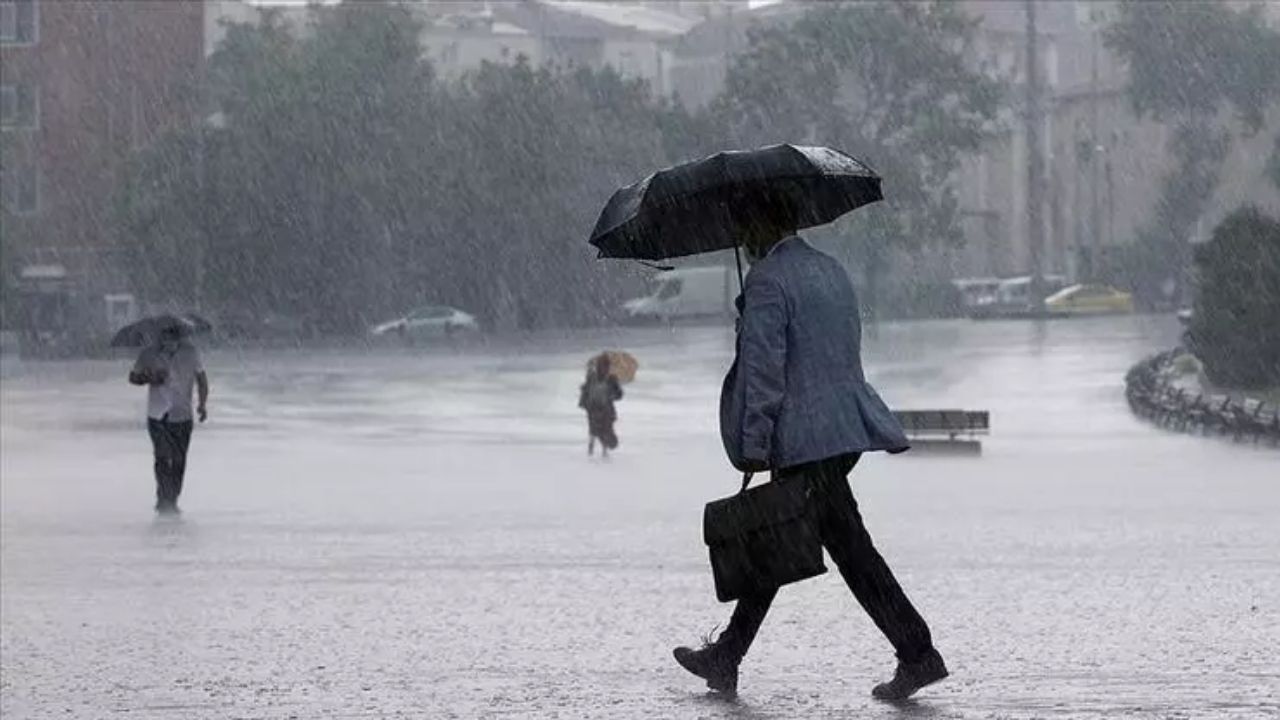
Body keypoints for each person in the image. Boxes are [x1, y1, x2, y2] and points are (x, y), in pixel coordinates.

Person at [672, 200, 947, 701]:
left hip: (804, 439)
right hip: (842, 432)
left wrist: (755, 444)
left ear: (760, 223)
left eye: (744, 225)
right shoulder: (830, 270)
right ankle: (728, 654)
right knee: (784, 540)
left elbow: (764, 372)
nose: (742, 239)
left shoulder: (767, 282)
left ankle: (918, 651)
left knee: (840, 550)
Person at [129, 326, 208, 515]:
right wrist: (149, 377)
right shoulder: (148, 354)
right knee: (162, 456)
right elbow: (133, 377)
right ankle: (163, 498)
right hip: (157, 414)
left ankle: (172, 498)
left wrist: (202, 404)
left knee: (179, 460)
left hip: (182, 414)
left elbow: (202, 379)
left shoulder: (191, 353)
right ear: (159, 335)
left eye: (172, 335)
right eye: (165, 335)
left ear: (179, 336)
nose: (168, 340)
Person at [578, 354, 623, 457]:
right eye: (602, 366)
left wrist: (613, 394)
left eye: (606, 366)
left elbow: (619, 395)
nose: (605, 369)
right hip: (593, 409)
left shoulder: (611, 379)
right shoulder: (592, 377)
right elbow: (586, 390)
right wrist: (584, 403)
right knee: (593, 431)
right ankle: (591, 451)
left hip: (606, 411)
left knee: (605, 432)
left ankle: (605, 451)